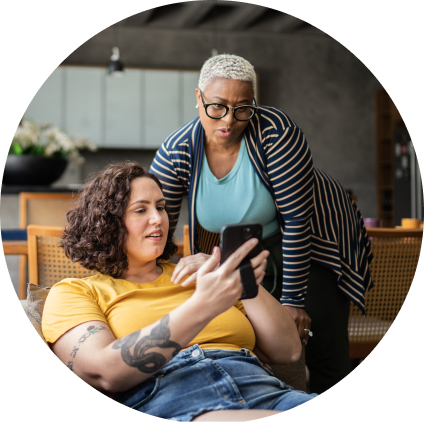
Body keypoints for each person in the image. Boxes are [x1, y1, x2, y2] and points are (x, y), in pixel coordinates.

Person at [151, 54, 374, 394]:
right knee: (260, 336)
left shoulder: (278, 133)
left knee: (322, 345)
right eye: (217, 106)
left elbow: (298, 220)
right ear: (198, 98)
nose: (229, 119)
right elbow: (159, 226)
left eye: (242, 108)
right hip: (252, 246)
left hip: (314, 238)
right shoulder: (177, 151)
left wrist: (294, 302)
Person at [41, 161, 317, 422]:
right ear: (106, 222)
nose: (158, 219)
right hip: (173, 397)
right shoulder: (76, 292)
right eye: (141, 210)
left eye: (160, 208)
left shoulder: (204, 274)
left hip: (264, 390)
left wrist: (240, 277)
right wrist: (204, 305)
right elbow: (105, 372)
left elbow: (289, 351)